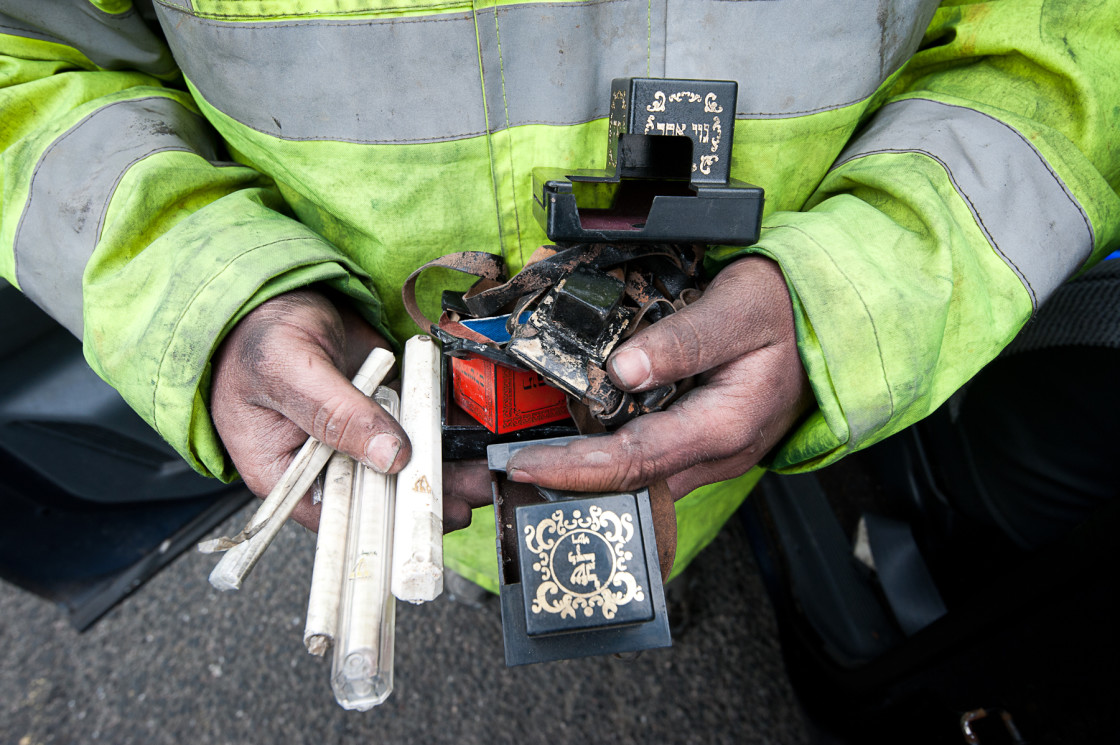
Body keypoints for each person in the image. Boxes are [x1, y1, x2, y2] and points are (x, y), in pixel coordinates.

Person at [1, 0, 1117, 593]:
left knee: (647, 548)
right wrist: (210, 291)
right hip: (419, 442)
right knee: (507, 562)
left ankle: (650, 579)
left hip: (727, 418)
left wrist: (843, 301)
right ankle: (520, 585)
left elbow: (1075, 48)